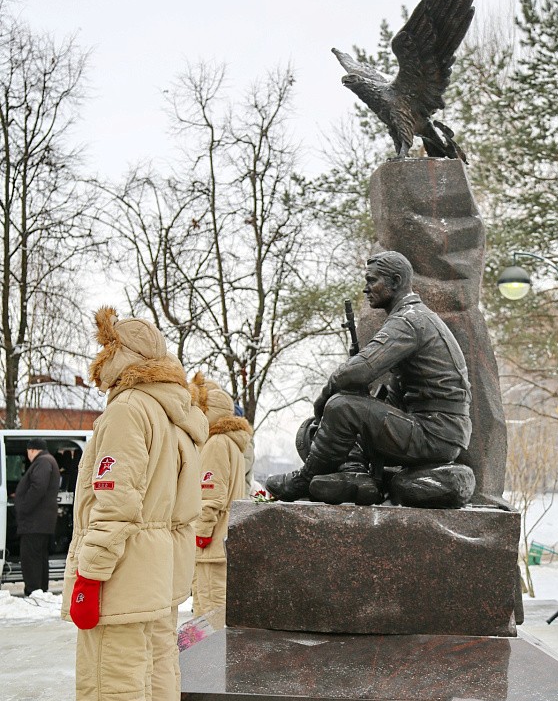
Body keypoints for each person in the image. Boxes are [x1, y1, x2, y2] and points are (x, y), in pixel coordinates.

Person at [60, 308, 202, 701]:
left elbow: (114, 503)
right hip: (159, 573)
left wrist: (90, 575)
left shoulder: (128, 410)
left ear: (118, 355)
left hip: (121, 574)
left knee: (109, 691)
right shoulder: (177, 414)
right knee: (156, 672)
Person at [266, 251, 472, 504]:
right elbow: (397, 394)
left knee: (341, 407)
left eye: (372, 280)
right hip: (435, 429)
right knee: (317, 429)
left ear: (395, 281)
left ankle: (305, 479)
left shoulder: (409, 321)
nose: (366, 288)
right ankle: (357, 477)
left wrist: (324, 398)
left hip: (434, 432)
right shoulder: (414, 317)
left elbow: (360, 370)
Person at [146, 362, 208, 701]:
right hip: (171, 556)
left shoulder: (147, 417)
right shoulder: (186, 429)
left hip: (149, 559)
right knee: (163, 662)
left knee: (140, 672)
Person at [191, 375, 253, 617]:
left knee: (209, 607)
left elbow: (211, 495)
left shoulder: (216, 443)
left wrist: (202, 533)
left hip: (213, 542)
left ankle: (212, 645)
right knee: (215, 604)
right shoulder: (232, 443)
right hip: (224, 535)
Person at [13, 438, 61, 596]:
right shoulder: (47, 460)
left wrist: (23, 506)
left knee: (31, 559)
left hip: (35, 522)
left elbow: (38, 487)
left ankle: (34, 591)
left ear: (32, 450)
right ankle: (40, 591)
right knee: (39, 559)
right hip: (40, 522)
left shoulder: (42, 462)